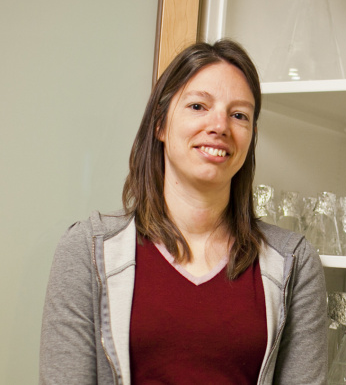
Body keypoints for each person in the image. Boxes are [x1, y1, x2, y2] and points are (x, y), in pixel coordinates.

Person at [39, 40, 327, 384]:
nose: (219, 126)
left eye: (239, 115)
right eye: (198, 106)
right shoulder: (87, 250)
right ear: (160, 124)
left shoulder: (294, 262)